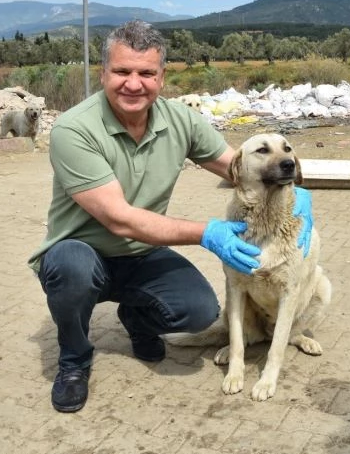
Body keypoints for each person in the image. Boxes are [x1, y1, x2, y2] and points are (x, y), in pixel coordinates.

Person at [27, 20, 312, 413]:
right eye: (122, 71)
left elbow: (237, 166)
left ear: (161, 77)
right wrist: (207, 232)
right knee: (70, 269)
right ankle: (74, 360)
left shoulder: (180, 119)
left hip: (142, 253)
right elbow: (119, 219)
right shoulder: (75, 129)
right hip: (83, 250)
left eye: (146, 73)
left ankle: (137, 319)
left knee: (199, 309)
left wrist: (293, 186)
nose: (134, 83)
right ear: (103, 73)